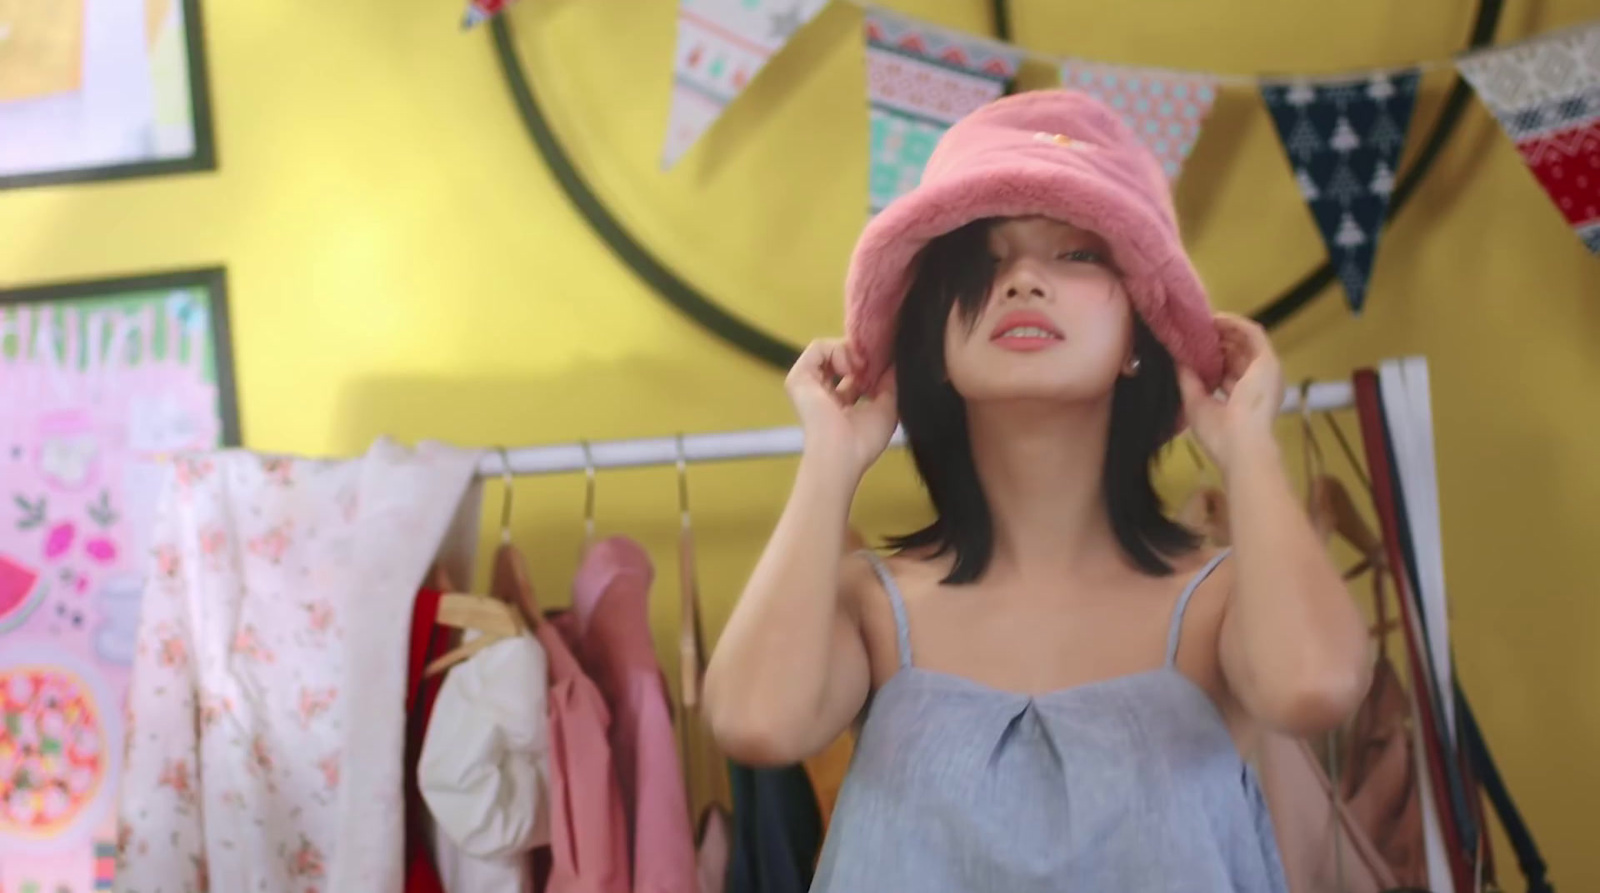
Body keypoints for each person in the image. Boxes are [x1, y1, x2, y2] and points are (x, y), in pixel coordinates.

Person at [701, 89, 1372, 891]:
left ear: (1138, 333)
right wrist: (830, 460)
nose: (1022, 279)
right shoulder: (868, 605)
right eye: (983, 259)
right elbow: (754, 721)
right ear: (935, 344)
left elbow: (1316, 687)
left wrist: (1246, 445)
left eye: (1078, 253)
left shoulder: (1221, 599)